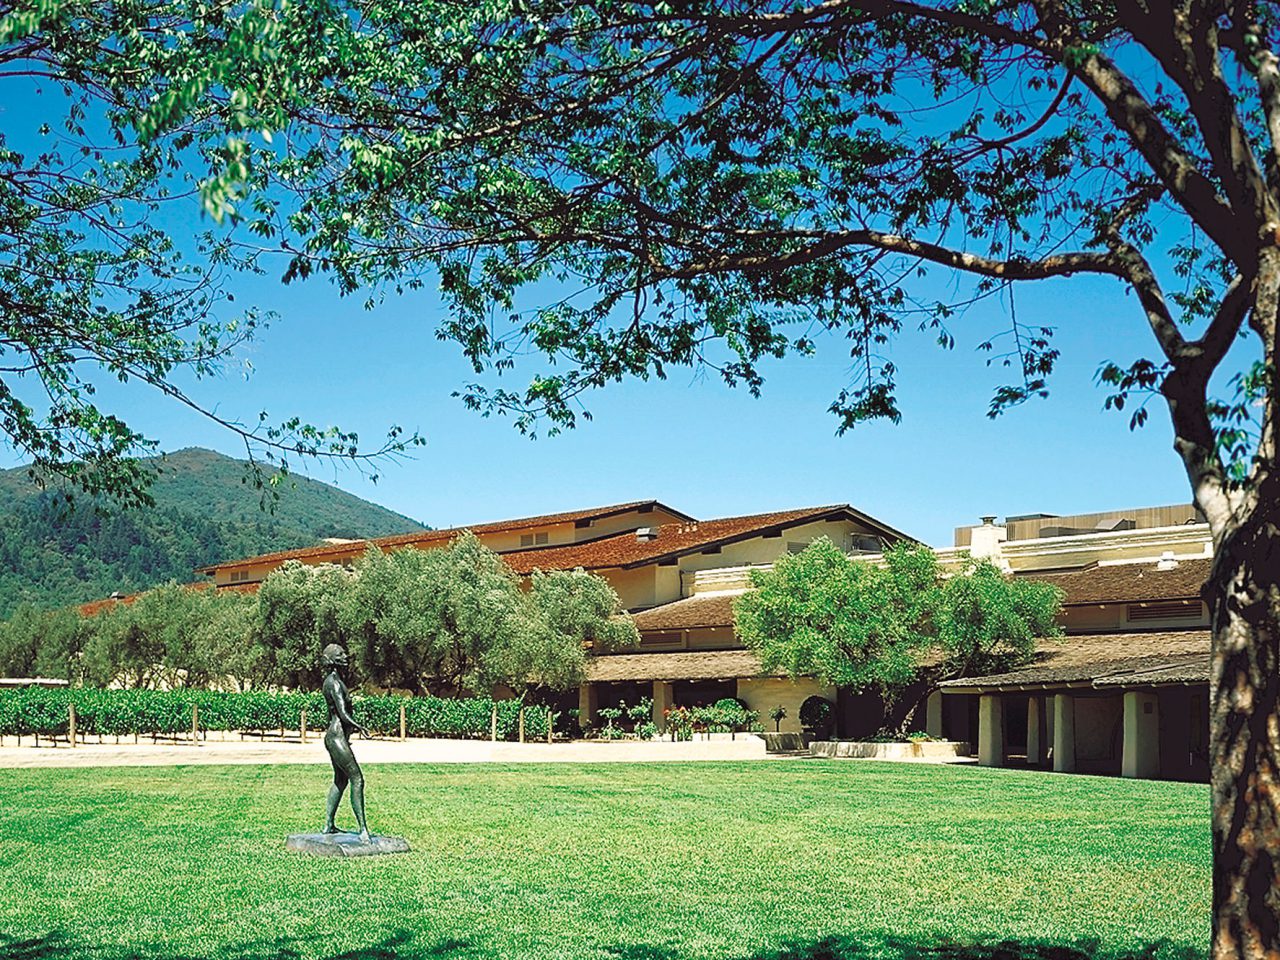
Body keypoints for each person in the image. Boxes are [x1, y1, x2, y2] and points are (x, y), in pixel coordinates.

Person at [320, 643, 371, 842]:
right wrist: (360, 727)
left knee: (340, 780)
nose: (345, 656)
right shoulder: (333, 682)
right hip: (337, 737)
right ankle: (363, 829)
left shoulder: (334, 681)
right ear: (333, 659)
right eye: (340, 654)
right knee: (357, 779)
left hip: (336, 737)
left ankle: (329, 825)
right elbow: (342, 714)